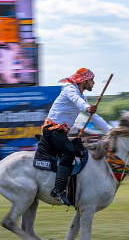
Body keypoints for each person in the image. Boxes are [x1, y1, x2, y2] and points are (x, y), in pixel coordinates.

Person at [42, 68, 112, 205]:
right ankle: (58, 190)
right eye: (92, 80)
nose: (93, 83)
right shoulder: (70, 89)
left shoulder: (83, 97)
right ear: (84, 81)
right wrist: (87, 108)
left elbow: (95, 117)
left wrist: (112, 131)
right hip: (52, 130)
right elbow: (77, 101)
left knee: (80, 151)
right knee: (70, 151)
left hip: (60, 132)